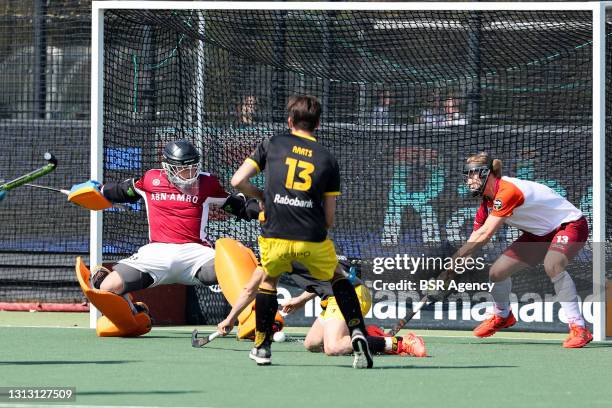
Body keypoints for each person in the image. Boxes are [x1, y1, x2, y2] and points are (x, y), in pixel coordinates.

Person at [230, 95, 374, 368]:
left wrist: (262, 196)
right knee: (336, 278)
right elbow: (329, 217)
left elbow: (237, 180)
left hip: (275, 233)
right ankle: (356, 332)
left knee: (269, 281)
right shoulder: (328, 159)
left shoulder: (272, 143)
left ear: (290, 121)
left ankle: (262, 347)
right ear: (318, 124)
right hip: (312, 236)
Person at [90, 139, 255, 310]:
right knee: (107, 287)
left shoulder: (207, 183)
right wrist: (99, 190)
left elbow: (237, 205)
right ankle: (135, 313)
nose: (189, 173)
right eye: (183, 168)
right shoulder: (150, 179)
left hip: (196, 254)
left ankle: (253, 317)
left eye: (193, 167)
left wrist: (266, 210)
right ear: (167, 166)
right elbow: (124, 191)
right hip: (156, 254)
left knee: (236, 267)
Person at [449, 152, 591, 348]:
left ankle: (579, 327)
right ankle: (502, 315)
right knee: (497, 273)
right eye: (467, 176)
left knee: (553, 265)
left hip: (569, 225)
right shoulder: (486, 202)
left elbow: (485, 235)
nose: (469, 180)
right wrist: (456, 264)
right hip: (538, 235)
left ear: (487, 174)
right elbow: (475, 237)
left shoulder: (507, 191)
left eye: (473, 174)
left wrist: (457, 257)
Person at [217, 256, 427, 358]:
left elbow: (249, 291)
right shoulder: (277, 251)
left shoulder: (301, 245)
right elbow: (250, 290)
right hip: (331, 299)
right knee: (312, 344)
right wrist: (301, 299)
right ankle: (368, 336)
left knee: (333, 347)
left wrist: (229, 320)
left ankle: (400, 343)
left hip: (349, 294)